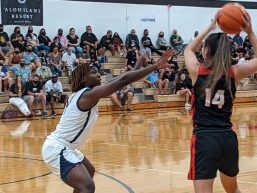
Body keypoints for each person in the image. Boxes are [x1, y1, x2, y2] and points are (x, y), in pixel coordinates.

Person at [41, 48, 175, 193]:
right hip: (57, 148)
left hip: (66, 147)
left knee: (89, 172)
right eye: (93, 72)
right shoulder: (88, 95)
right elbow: (124, 80)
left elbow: (122, 79)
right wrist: (156, 66)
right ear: (84, 79)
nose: (98, 74)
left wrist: (137, 66)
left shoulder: (81, 94)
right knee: (87, 186)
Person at [184, 11, 257, 193]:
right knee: (233, 190)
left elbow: (188, 50)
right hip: (227, 139)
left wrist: (210, 27)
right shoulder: (234, 73)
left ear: (206, 51)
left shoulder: (197, 71)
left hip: (205, 139)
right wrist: (250, 32)